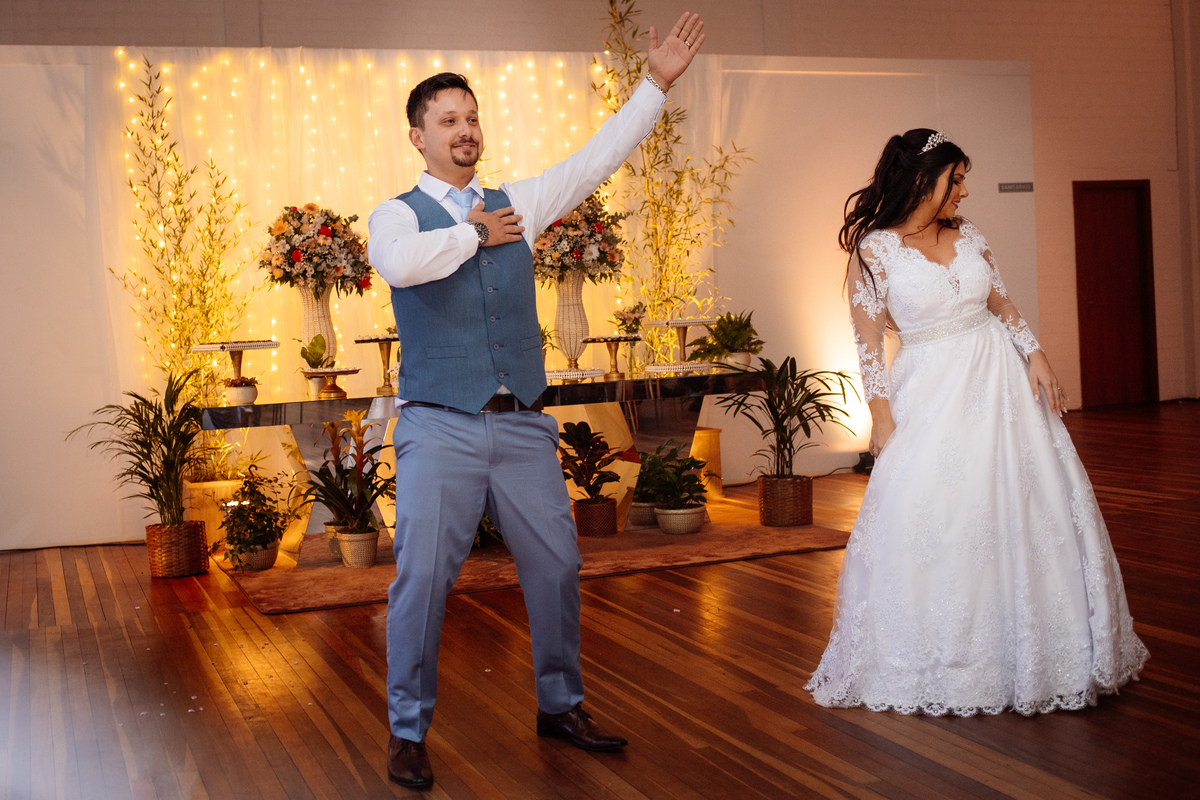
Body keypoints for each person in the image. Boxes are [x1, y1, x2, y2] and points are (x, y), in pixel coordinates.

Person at [366, 12, 706, 789]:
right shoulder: (398, 214)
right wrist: (474, 236)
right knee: (421, 579)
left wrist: (655, 84)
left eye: (472, 116)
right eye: (447, 119)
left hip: (519, 424)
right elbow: (399, 264)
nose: (465, 129)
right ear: (417, 136)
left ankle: (560, 705)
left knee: (555, 567)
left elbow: (594, 161)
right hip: (438, 427)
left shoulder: (518, 200)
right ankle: (408, 730)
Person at [805, 129, 1149, 716]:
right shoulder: (875, 250)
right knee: (936, 512)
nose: (963, 191)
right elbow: (866, 346)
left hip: (1002, 387)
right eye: (954, 179)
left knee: (1026, 508)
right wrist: (880, 416)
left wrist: (1036, 355)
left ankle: (1044, 651)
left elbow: (1004, 305)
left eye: (963, 179)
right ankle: (940, 661)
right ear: (921, 178)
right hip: (932, 391)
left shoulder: (970, 237)